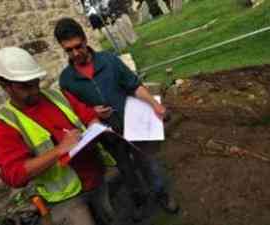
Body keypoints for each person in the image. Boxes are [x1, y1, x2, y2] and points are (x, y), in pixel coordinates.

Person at [0, 47, 147, 224]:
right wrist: (59, 150)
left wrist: (94, 123)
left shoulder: (56, 95)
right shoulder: (5, 126)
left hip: (96, 177)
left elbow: (86, 113)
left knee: (111, 217)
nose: (34, 91)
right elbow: (14, 175)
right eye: (25, 87)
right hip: (67, 198)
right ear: (5, 86)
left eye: (35, 83)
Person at [54, 17, 179, 214]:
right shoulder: (66, 79)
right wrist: (92, 113)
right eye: (68, 50)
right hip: (108, 135)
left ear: (85, 40)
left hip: (133, 123)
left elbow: (133, 84)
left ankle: (161, 194)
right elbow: (74, 110)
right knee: (125, 169)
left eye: (78, 46)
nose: (75, 53)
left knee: (147, 162)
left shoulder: (109, 60)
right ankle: (140, 200)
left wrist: (155, 105)